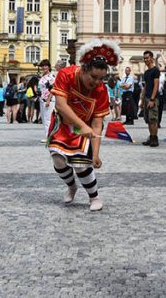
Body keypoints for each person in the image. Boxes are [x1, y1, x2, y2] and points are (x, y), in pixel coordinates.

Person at [48, 38, 120, 211]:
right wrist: (83, 125)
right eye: (94, 77)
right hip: (63, 122)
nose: (96, 82)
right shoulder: (66, 74)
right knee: (58, 160)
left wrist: (95, 154)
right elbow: (60, 105)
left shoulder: (101, 91)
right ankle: (71, 186)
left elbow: (96, 125)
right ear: (84, 69)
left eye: (101, 79)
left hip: (83, 127)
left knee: (82, 164)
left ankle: (94, 197)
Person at [141, 50, 160, 147]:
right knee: (148, 119)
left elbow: (156, 85)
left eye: (147, 58)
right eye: (144, 58)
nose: (145, 60)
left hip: (153, 98)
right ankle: (151, 137)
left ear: (152, 58)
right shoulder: (146, 72)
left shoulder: (155, 70)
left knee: (153, 119)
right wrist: (142, 99)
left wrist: (152, 99)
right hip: (147, 98)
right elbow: (145, 86)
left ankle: (154, 138)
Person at [38, 59, 56, 143]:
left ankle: (48, 136)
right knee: (44, 119)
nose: (44, 67)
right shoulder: (42, 76)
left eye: (45, 65)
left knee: (47, 118)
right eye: (42, 66)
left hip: (49, 100)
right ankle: (47, 135)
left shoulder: (51, 76)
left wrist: (49, 100)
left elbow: (53, 89)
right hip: (42, 99)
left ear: (49, 67)